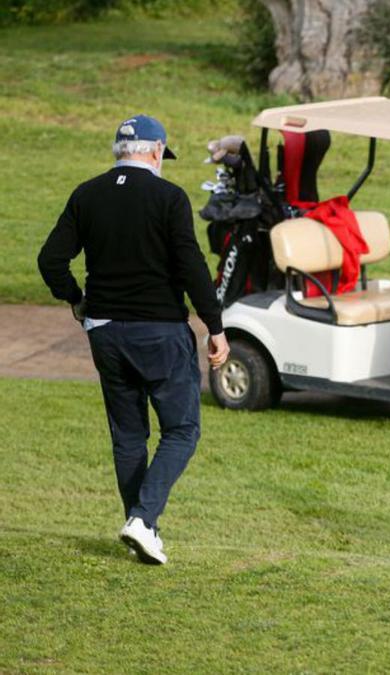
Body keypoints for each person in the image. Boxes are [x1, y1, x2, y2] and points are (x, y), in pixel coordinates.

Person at [37, 115, 230, 565]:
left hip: (105, 332)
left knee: (128, 436)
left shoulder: (87, 194)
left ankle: (143, 528)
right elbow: (191, 268)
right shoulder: (169, 197)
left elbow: (51, 260)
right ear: (157, 150)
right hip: (160, 331)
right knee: (181, 429)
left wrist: (77, 301)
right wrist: (215, 327)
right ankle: (143, 520)